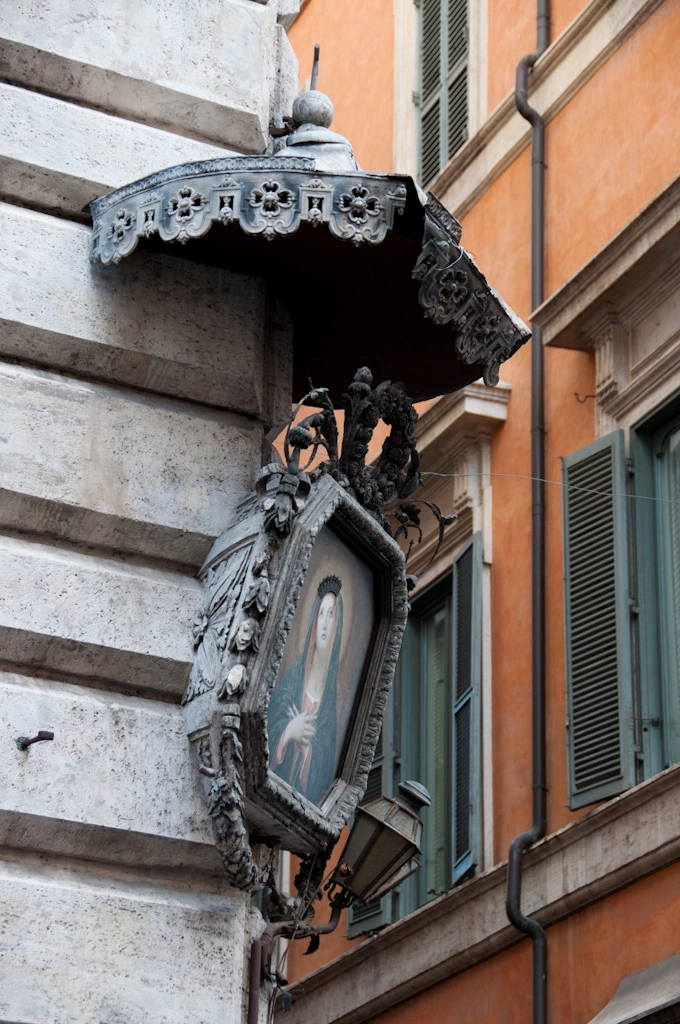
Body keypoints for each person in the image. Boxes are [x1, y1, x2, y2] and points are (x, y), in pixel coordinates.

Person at [268, 575, 343, 806]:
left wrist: (307, 749)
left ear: (338, 626)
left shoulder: (330, 701)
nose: (324, 623)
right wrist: (289, 731)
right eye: (321, 613)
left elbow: (326, 768)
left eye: (331, 615)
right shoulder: (294, 679)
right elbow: (268, 724)